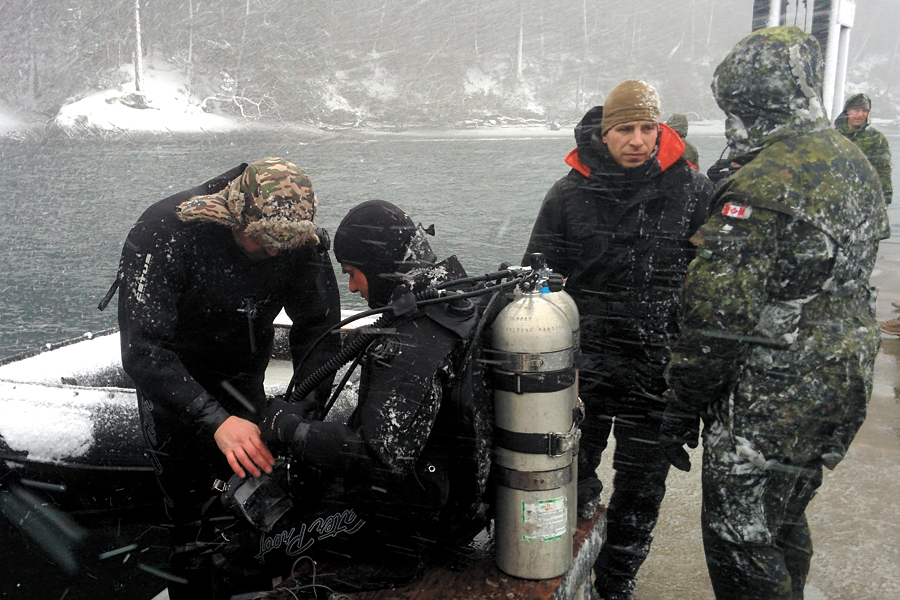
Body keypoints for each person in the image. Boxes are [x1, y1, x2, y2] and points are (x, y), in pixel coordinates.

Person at [661, 27, 889, 600]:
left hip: (775, 387)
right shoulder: (852, 162)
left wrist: (682, 403)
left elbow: (717, 317)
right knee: (782, 513)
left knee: (740, 536)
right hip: (842, 371)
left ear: (751, 101)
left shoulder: (761, 184)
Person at [522, 80, 714, 600]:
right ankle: (558, 573)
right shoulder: (567, 194)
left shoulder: (693, 192)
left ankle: (616, 587)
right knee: (569, 482)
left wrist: (695, 382)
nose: (637, 139)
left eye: (647, 128)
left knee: (640, 497)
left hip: (658, 376)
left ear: (660, 130)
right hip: (585, 372)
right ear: (604, 134)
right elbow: (535, 284)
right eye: (625, 129)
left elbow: (714, 291)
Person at [116, 157, 341, 599]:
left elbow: (320, 330)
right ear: (233, 216)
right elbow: (142, 350)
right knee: (193, 529)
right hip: (176, 393)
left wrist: (300, 406)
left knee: (262, 509)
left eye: (285, 244)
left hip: (244, 377)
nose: (275, 252)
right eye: (263, 242)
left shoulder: (295, 238)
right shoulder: (165, 232)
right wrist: (214, 419)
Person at [235, 200, 492, 584]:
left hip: (406, 529)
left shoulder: (413, 340)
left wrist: (289, 428)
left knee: (241, 547)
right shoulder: (451, 300)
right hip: (450, 500)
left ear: (378, 264)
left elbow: (376, 456)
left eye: (354, 273)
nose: (353, 287)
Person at [834, 93, 893, 204]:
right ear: (847, 111)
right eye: (856, 110)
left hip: (863, 199)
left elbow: (883, 170)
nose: (860, 114)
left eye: (864, 111)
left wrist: (885, 199)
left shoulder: (876, 139)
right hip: (835, 198)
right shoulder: (833, 136)